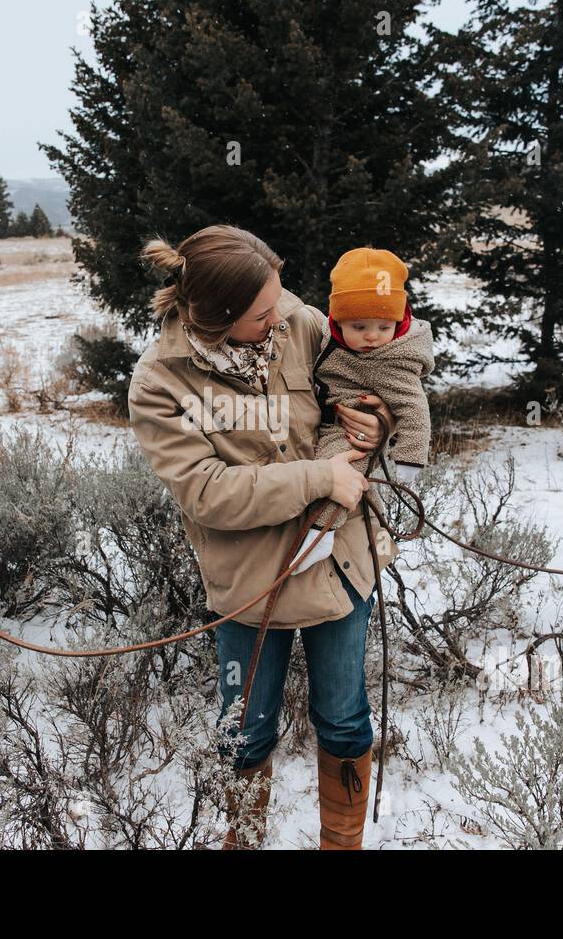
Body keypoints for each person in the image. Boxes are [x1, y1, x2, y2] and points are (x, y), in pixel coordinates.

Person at [126, 224, 400, 850]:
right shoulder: (160, 382)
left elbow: (371, 375)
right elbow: (207, 492)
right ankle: (244, 839)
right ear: (216, 317)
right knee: (243, 730)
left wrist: (377, 419)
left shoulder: (295, 322)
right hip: (247, 589)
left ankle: (342, 843)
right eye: (261, 314)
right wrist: (317, 476)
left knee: (344, 718)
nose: (281, 319)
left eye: (280, 301)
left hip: (340, 570)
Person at [290, 247, 434, 575]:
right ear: (337, 320)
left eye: (384, 327)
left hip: (347, 430)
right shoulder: (326, 336)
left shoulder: (388, 359)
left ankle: (319, 534)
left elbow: (414, 407)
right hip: (328, 416)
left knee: (338, 471)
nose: (371, 336)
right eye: (359, 326)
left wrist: (409, 460)